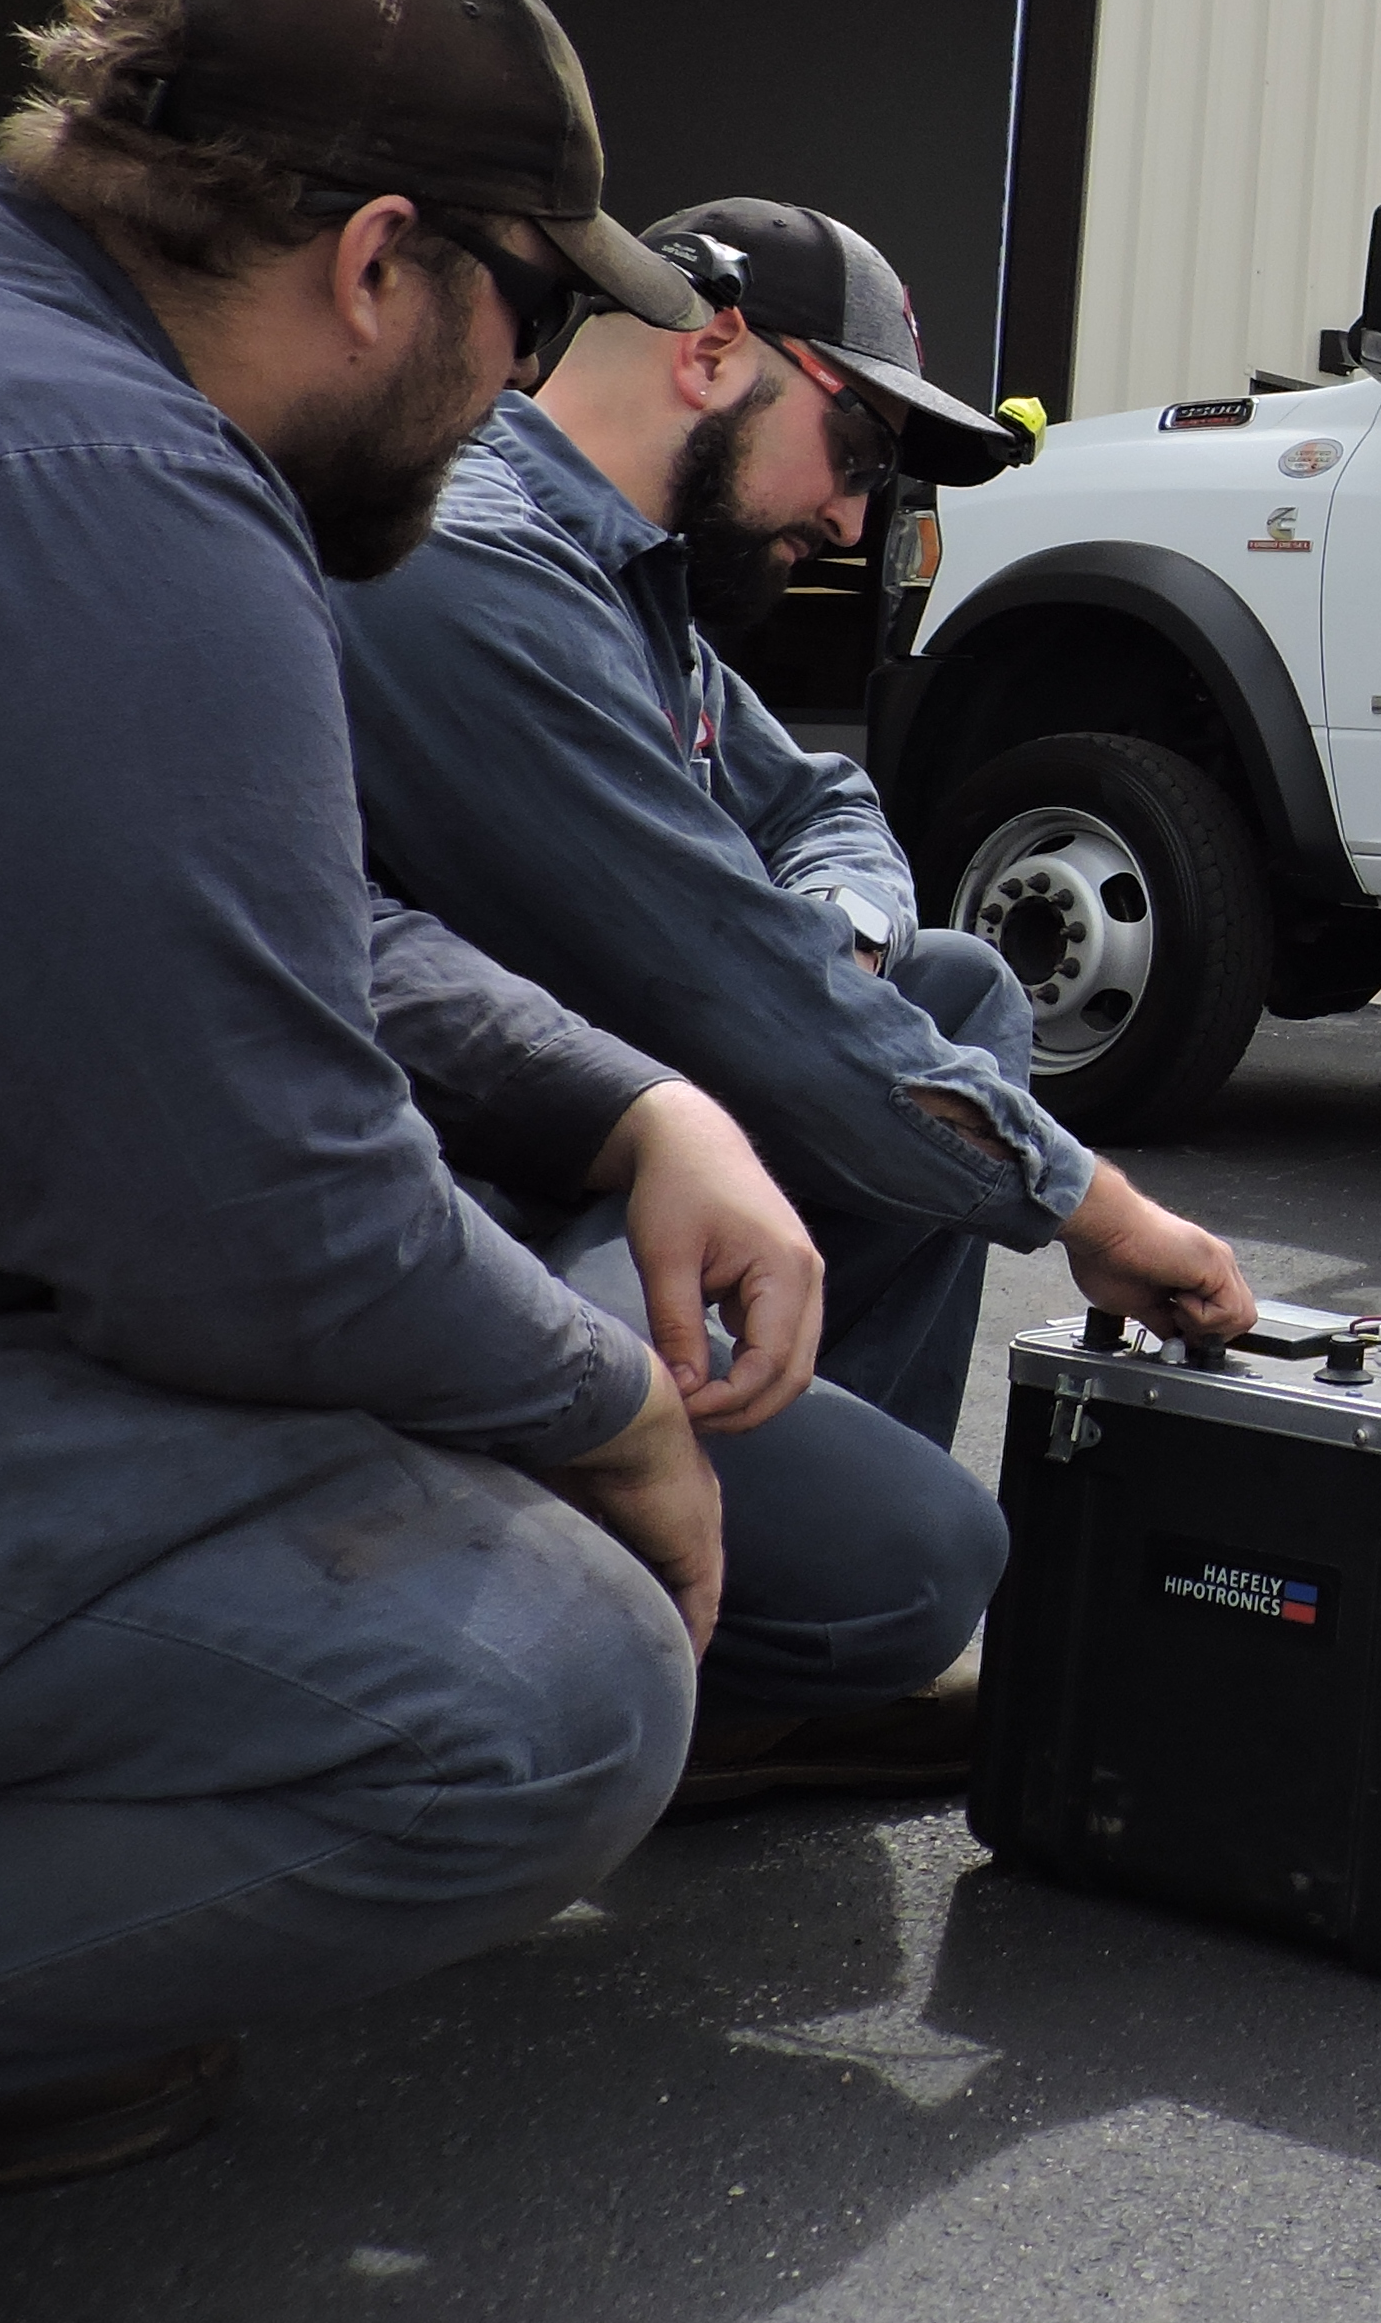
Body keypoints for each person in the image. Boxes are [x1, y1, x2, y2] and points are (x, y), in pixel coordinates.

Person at [0, 0, 741, 2213]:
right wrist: (612, 1414)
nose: (522, 387)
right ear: (383, 260)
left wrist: (634, 1101)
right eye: (530, 309)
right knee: (560, 1685)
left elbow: (202, 900)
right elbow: (241, 1222)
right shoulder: (89, 472)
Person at [326, 196, 1253, 1786]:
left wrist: (837, 927)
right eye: (860, 450)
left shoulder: (632, 585)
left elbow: (826, 812)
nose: (855, 514)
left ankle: (748, 1664)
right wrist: (1095, 1211)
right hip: (461, 1232)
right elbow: (726, 991)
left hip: (617, 1158)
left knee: (950, 986)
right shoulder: (469, 571)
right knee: (928, 1567)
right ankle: (627, 1656)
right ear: (712, 355)